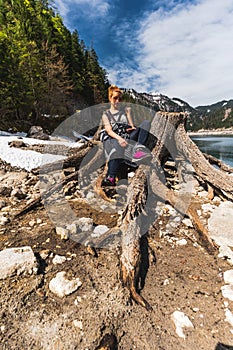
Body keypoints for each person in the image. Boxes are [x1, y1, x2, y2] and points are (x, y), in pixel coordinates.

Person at [100, 85, 151, 186]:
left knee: (146, 123)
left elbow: (131, 126)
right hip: (112, 138)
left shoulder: (124, 112)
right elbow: (109, 131)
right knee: (117, 145)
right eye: (115, 98)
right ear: (110, 98)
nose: (118, 101)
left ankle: (139, 151)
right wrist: (120, 139)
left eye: (120, 99)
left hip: (125, 136)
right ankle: (111, 177)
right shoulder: (106, 114)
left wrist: (128, 116)